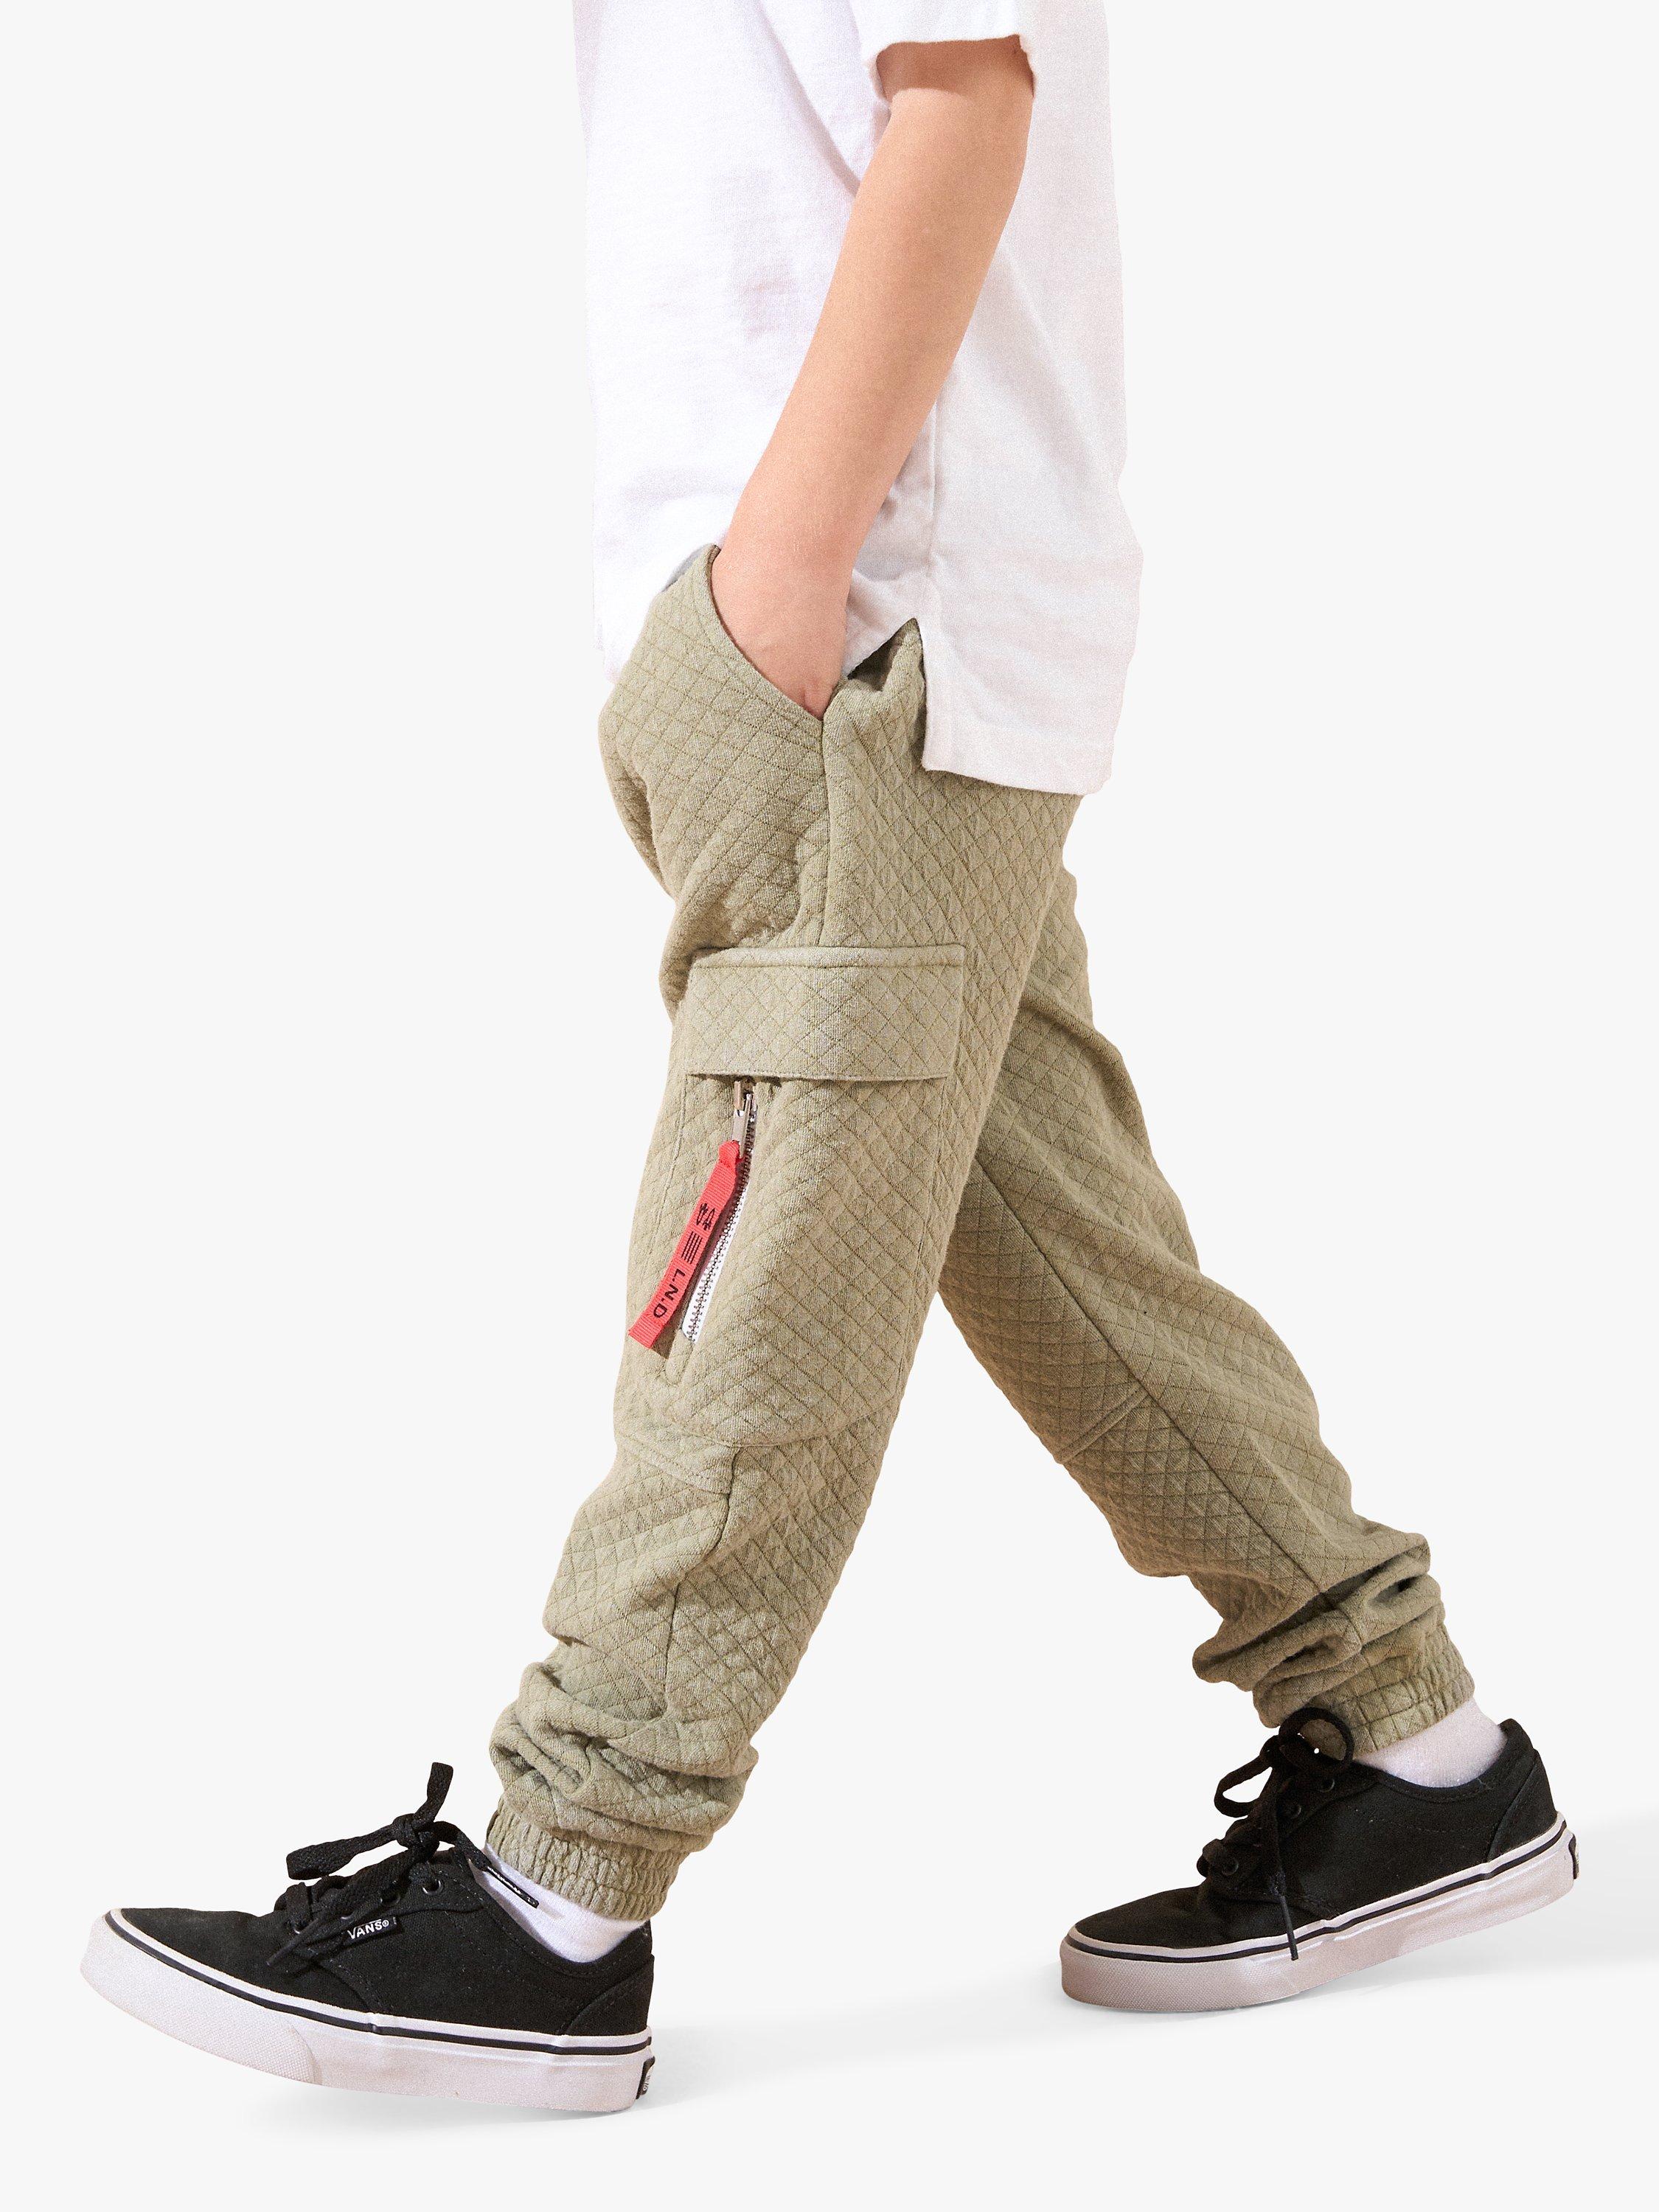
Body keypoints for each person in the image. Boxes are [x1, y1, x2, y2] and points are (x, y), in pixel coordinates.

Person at [82, 5, 1573, 2112]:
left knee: (760, 1267)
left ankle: (558, 1891)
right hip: (849, 643)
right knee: (1059, 1243)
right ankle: (1415, 1744)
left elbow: (962, 96)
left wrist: (781, 586)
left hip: (863, 646)